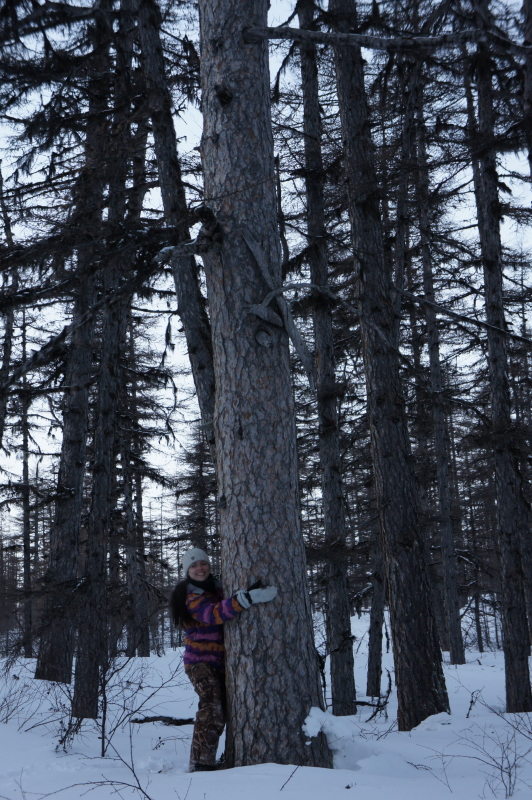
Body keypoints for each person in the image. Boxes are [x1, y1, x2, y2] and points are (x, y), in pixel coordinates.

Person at [170, 547, 277, 772]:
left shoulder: (218, 587)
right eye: (194, 566)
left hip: (220, 663)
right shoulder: (190, 597)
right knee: (212, 708)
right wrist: (246, 599)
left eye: (203, 563)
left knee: (226, 710)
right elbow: (214, 614)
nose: (200, 568)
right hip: (199, 663)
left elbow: (223, 603)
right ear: (187, 571)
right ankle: (201, 763)